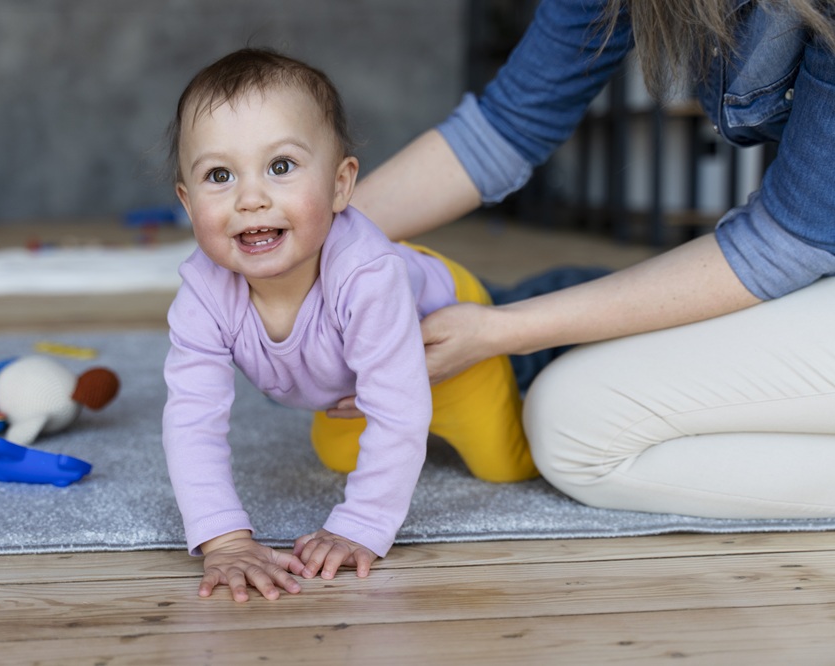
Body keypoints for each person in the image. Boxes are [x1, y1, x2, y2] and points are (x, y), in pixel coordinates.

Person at [336, 0, 835, 521]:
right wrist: (316, 242)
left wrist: (498, 331)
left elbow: (783, 243)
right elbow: (505, 126)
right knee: (557, 305)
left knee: (571, 424)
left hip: (805, 248)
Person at [162, 48, 536, 603]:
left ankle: (537, 353)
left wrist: (360, 526)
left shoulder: (368, 276)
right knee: (340, 456)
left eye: (280, 166)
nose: (250, 198)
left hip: (453, 335)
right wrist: (224, 540)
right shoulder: (202, 293)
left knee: (506, 464)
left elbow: (397, 409)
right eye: (220, 175)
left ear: (341, 185)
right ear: (189, 204)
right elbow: (192, 418)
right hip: (353, 383)